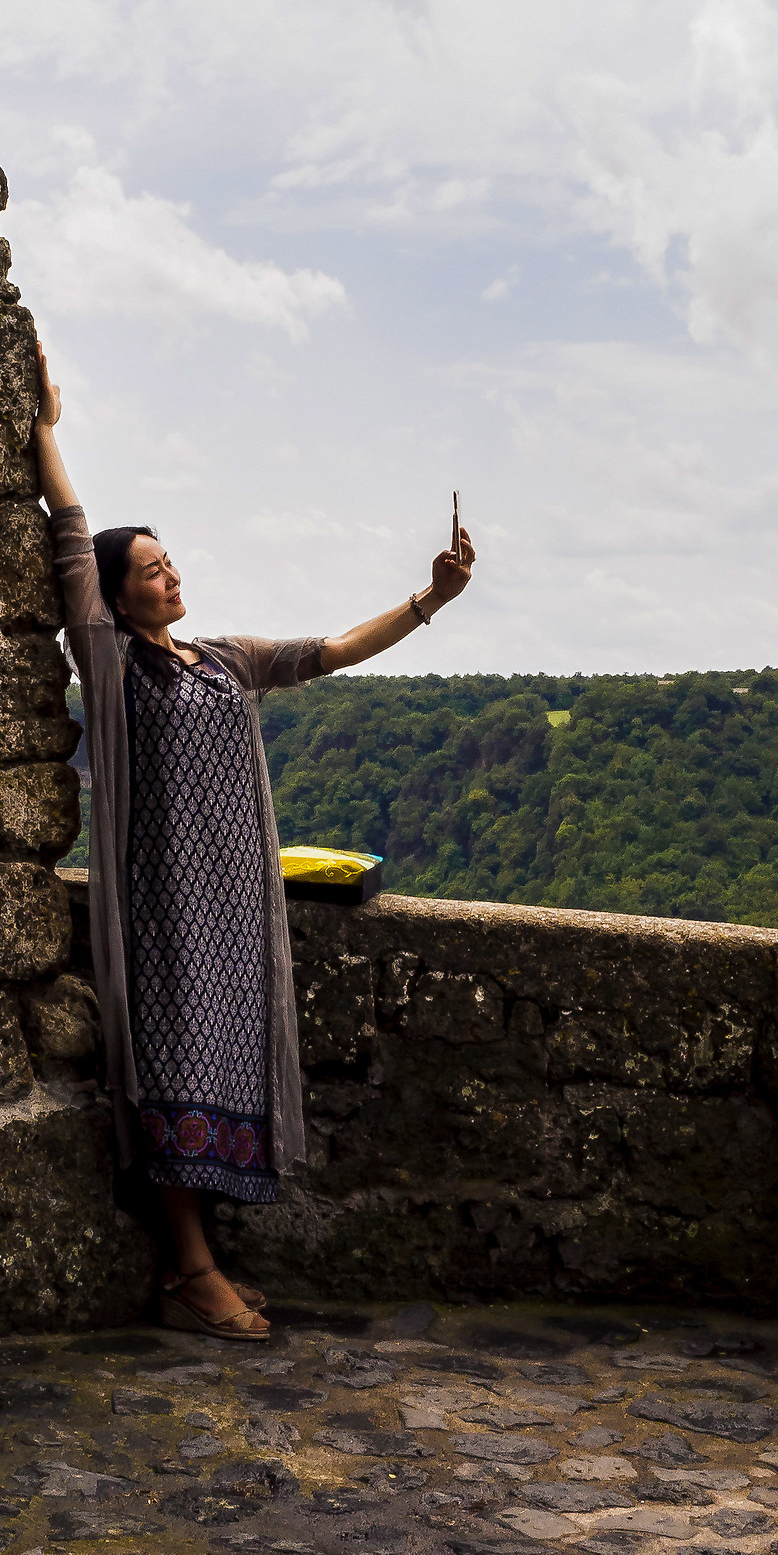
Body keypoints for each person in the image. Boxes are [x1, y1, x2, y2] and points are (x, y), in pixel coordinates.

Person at [32, 342, 474, 1340]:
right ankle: (188, 1275)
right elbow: (68, 536)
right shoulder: (107, 663)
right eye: (147, 569)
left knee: (222, 1067)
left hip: (234, 906)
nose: (169, 573)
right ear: (117, 593)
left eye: (169, 558)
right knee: (175, 1072)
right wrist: (47, 431)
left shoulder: (224, 659)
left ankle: (205, 1263)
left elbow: (331, 651)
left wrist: (430, 600)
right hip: (161, 911)